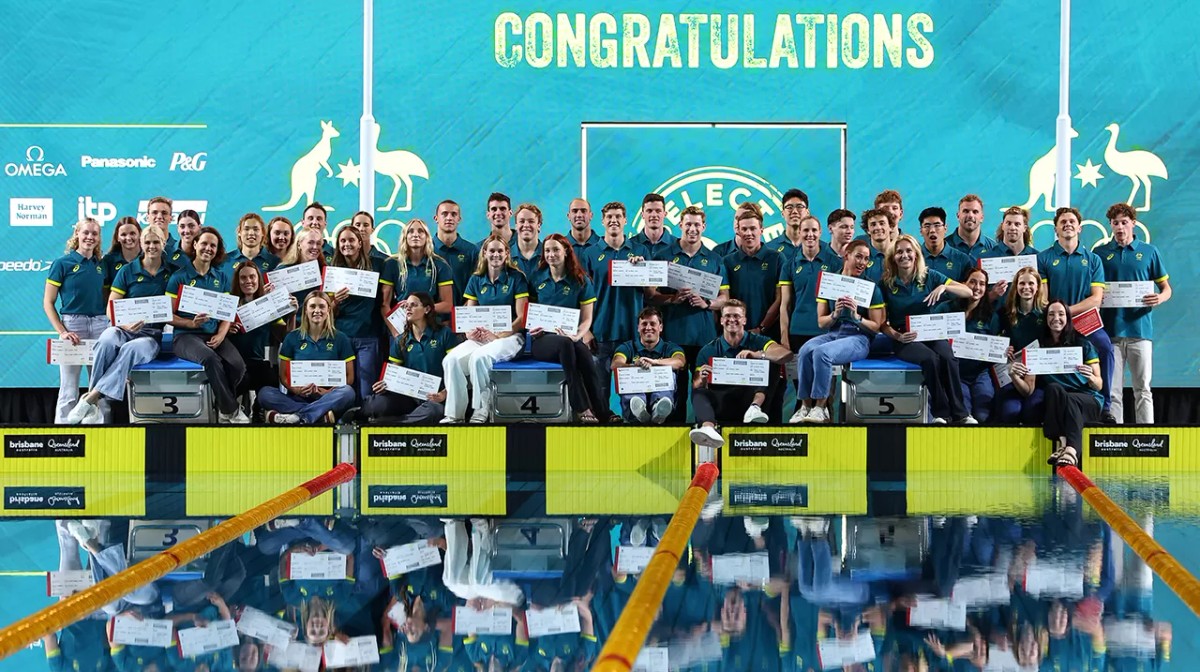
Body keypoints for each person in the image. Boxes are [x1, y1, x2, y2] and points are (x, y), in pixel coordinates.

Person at [64, 225, 169, 424]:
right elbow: (111, 306)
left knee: (130, 349)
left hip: (149, 337)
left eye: (156, 242)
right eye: (147, 242)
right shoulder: (128, 271)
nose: (151, 246)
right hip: (124, 329)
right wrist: (124, 324)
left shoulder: (170, 272)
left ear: (163, 244)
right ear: (141, 244)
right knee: (106, 339)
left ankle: (91, 398)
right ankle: (93, 405)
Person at [878, 234, 976, 424]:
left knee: (948, 357)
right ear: (893, 257)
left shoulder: (929, 275)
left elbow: (968, 292)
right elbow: (881, 323)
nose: (904, 255)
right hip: (904, 335)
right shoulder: (886, 284)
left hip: (931, 331)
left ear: (916, 254)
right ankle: (941, 413)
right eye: (899, 252)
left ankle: (962, 413)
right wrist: (897, 336)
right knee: (929, 358)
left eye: (908, 251)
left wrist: (944, 288)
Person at [647, 205, 730, 420]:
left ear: (703, 227)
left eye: (696, 224)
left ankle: (707, 431)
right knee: (676, 393)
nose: (692, 229)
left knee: (706, 389)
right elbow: (650, 295)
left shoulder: (714, 259)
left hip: (705, 337)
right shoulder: (662, 256)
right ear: (680, 225)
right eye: (688, 224)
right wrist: (672, 299)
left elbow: (725, 299)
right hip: (673, 337)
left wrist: (706, 304)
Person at [790, 240, 884, 424]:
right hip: (833, 333)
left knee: (822, 353)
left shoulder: (871, 287)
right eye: (858, 256)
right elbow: (821, 322)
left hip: (858, 337)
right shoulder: (830, 282)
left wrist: (857, 317)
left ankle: (820, 407)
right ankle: (805, 407)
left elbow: (876, 326)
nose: (862, 262)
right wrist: (836, 314)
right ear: (846, 255)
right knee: (805, 351)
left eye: (866, 259)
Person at [1036, 206, 1116, 422]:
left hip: (1085, 322)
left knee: (1105, 348)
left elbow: (1096, 299)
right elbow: (1043, 298)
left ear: (1079, 227)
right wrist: (1058, 317)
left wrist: (1066, 313)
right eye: (1063, 222)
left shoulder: (1093, 260)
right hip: (1054, 322)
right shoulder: (1043, 258)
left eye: (1072, 221)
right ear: (1056, 229)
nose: (1067, 224)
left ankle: (1104, 405)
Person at [1095, 202, 1171, 423]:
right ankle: (1116, 435)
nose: (1120, 227)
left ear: (1133, 223)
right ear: (1110, 225)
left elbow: (1167, 289)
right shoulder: (1100, 253)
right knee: (1113, 390)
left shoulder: (1149, 252)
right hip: (1111, 333)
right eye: (1115, 223)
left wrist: (1159, 297)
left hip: (1140, 331)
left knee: (1143, 389)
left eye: (1124, 222)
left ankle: (1146, 435)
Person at [441, 234, 529, 423]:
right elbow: (468, 313)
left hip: (510, 338)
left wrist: (498, 335)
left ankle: (481, 411)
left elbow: (522, 318)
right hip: (482, 337)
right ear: (485, 253)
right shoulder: (476, 279)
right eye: (492, 251)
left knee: (479, 358)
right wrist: (469, 332)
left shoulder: (516, 278)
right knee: (451, 360)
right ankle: (454, 415)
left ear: (507, 254)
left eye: (500, 251)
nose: (495, 254)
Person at [166, 225, 249, 423]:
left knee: (238, 366)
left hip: (212, 334)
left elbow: (227, 313)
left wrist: (221, 335)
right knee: (210, 359)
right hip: (184, 337)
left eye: (213, 245)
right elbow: (166, 314)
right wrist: (190, 323)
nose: (208, 248)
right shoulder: (179, 277)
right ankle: (230, 410)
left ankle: (221, 403)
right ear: (195, 244)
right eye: (204, 243)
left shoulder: (221, 277)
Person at [1008, 300, 1103, 467]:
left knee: (1069, 399)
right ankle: (1063, 442)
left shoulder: (1083, 344)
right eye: (1051, 314)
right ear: (1045, 319)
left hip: (1087, 400)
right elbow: (1028, 390)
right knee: (1053, 389)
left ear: (1067, 318)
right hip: (1059, 399)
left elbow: (1099, 385)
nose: (1056, 318)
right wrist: (1014, 377)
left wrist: (1090, 377)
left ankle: (1072, 450)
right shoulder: (1038, 348)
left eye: (1061, 314)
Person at [529, 233, 611, 422]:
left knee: (584, 355)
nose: (551, 254)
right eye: (547, 250)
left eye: (556, 249)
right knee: (567, 344)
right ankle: (581, 407)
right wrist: (534, 328)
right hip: (541, 340)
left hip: (569, 338)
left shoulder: (581, 280)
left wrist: (578, 336)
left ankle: (603, 412)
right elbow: (530, 314)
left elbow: (586, 319)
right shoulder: (537, 278)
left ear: (566, 251)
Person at [688, 300, 792, 448]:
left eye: (736, 316)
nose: (732, 319)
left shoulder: (757, 341)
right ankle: (708, 427)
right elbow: (696, 384)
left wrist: (757, 355)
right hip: (724, 400)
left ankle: (755, 408)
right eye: (728, 316)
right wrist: (703, 378)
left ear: (744, 320)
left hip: (752, 399)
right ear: (722, 320)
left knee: (772, 360)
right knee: (699, 392)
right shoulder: (709, 350)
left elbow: (786, 355)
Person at [580, 201, 648, 413]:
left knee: (633, 393)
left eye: (618, 216)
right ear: (602, 221)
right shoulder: (590, 253)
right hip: (600, 333)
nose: (614, 220)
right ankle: (600, 429)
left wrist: (642, 269)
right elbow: (581, 295)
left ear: (625, 220)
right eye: (609, 217)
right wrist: (586, 330)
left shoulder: (640, 250)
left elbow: (650, 290)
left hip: (632, 334)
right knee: (599, 390)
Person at [44, 218, 108, 423]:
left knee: (100, 386)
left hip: (100, 324)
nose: (90, 237)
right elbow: (48, 302)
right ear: (77, 235)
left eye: (94, 234)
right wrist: (62, 331)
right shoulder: (62, 264)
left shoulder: (101, 266)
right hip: (73, 325)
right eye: (86, 232)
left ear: (98, 238)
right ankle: (63, 435)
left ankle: (103, 431)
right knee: (69, 387)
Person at [261, 290, 357, 424]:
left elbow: (349, 377)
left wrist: (327, 392)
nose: (317, 310)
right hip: (298, 397)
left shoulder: (341, 338)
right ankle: (319, 416)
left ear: (328, 310)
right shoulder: (292, 337)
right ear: (305, 310)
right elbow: (283, 375)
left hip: (328, 397)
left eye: (322, 306)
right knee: (265, 394)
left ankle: (298, 417)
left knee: (348, 392)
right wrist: (297, 390)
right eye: (312, 306)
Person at [364, 291, 456, 423]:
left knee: (434, 411)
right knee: (376, 403)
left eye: (413, 305)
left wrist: (444, 394)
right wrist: (386, 384)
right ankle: (355, 415)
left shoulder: (444, 334)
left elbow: (457, 372)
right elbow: (394, 374)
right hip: (409, 397)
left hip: (436, 398)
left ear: (427, 309)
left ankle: (393, 424)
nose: (408, 308)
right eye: (406, 305)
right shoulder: (401, 340)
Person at [329, 226, 385, 401]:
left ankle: (365, 422)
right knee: (343, 386)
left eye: (351, 240)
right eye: (343, 241)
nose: (347, 244)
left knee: (366, 388)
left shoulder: (377, 265)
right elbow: (327, 311)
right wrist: (336, 300)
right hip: (341, 336)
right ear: (338, 245)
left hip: (368, 336)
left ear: (360, 243)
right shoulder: (333, 271)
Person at [228, 261, 290, 411]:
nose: (248, 281)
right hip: (234, 364)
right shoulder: (229, 303)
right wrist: (226, 328)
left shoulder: (267, 305)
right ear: (237, 281)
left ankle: (260, 411)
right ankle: (235, 410)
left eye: (252, 277)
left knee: (270, 379)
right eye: (243, 278)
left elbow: (284, 336)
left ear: (258, 279)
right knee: (243, 379)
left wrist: (291, 313)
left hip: (258, 362)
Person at [611, 306, 686, 423]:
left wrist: (655, 363)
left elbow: (680, 362)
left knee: (669, 373)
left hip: (662, 394)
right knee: (629, 374)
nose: (648, 328)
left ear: (660, 327)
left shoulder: (670, 347)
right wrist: (634, 366)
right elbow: (615, 364)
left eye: (652, 324)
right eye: (644, 324)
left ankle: (658, 408)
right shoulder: (627, 347)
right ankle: (638, 410)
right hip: (635, 394)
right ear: (638, 328)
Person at [778, 214, 841, 353]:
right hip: (798, 331)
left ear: (820, 232)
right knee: (798, 375)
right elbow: (785, 305)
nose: (810, 234)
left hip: (827, 331)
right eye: (806, 231)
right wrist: (784, 338)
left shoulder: (835, 262)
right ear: (799, 233)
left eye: (814, 230)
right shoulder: (789, 265)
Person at [949, 267, 1003, 422]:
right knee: (963, 414)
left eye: (982, 284)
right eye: (972, 282)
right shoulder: (948, 308)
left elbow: (995, 347)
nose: (977, 287)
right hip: (956, 373)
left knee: (982, 415)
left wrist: (1003, 350)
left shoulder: (991, 315)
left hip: (980, 373)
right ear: (963, 283)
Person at [723, 203, 784, 340]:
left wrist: (761, 328)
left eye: (753, 228)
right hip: (736, 335)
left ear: (761, 230)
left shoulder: (776, 258)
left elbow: (781, 299)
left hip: (770, 335)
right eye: (744, 229)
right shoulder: (728, 261)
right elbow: (725, 300)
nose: (749, 233)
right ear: (738, 231)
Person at [996, 266, 1048, 423]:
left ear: (1038, 287)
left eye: (1031, 284)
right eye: (1022, 284)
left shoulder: (1046, 313)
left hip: (1040, 379)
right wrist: (1002, 348)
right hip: (1011, 375)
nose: (1026, 287)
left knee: (1032, 413)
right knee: (1009, 412)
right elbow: (993, 341)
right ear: (1016, 286)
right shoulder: (1004, 313)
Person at [381, 218, 454, 328]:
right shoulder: (392, 264)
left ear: (427, 237)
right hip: (402, 326)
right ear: (405, 236)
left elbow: (447, 305)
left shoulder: (440, 265)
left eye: (420, 231)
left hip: (431, 326)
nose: (416, 235)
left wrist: (421, 309)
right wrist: (395, 332)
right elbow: (384, 304)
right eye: (411, 231)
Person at [432, 199, 479, 306]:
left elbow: (478, 286)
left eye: (454, 214)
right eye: (444, 214)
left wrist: (464, 313)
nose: (449, 218)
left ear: (459, 219)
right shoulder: (426, 250)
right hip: (431, 317)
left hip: (464, 316)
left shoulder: (472, 251)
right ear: (436, 218)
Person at [276, 227, 328, 316]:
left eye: (318, 243)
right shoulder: (282, 271)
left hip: (317, 325)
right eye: (310, 242)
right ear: (299, 244)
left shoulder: (325, 271)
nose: (315, 247)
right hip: (292, 325)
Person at [917, 206, 973, 280]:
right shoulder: (914, 258)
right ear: (921, 231)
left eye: (937, 225)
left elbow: (968, 290)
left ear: (945, 228)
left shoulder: (961, 260)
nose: (932, 230)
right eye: (927, 226)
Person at [946, 194, 998, 259]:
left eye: (975, 212)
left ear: (982, 217)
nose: (970, 215)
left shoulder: (993, 248)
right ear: (958, 216)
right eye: (966, 211)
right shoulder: (943, 247)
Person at [630, 193, 676, 261]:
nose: (654, 215)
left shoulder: (677, 245)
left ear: (665, 214)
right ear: (642, 215)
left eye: (658, 211)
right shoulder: (630, 245)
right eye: (649, 211)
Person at [771, 188, 810, 262]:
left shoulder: (821, 249)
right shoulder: (769, 249)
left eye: (799, 207)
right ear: (783, 213)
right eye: (789, 207)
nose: (794, 211)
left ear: (807, 212)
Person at [102, 216, 141, 289]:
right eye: (123, 235)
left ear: (140, 234)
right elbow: (105, 292)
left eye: (132, 233)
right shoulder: (108, 260)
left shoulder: (148, 258)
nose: (128, 238)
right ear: (117, 238)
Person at [858, 208, 893, 283]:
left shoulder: (900, 254)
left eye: (882, 223)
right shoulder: (861, 257)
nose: (878, 227)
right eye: (873, 224)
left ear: (890, 227)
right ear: (868, 230)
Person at [510, 202, 544, 279]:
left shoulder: (548, 255)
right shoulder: (505, 256)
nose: (526, 225)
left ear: (539, 226)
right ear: (516, 226)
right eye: (522, 221)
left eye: (531, 221)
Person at [164, 208, 202, 273]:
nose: (186, 231)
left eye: (191, 226)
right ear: (177, 228)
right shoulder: (167, 253)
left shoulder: (206, 253)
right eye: (182, 226)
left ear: (199, 227)